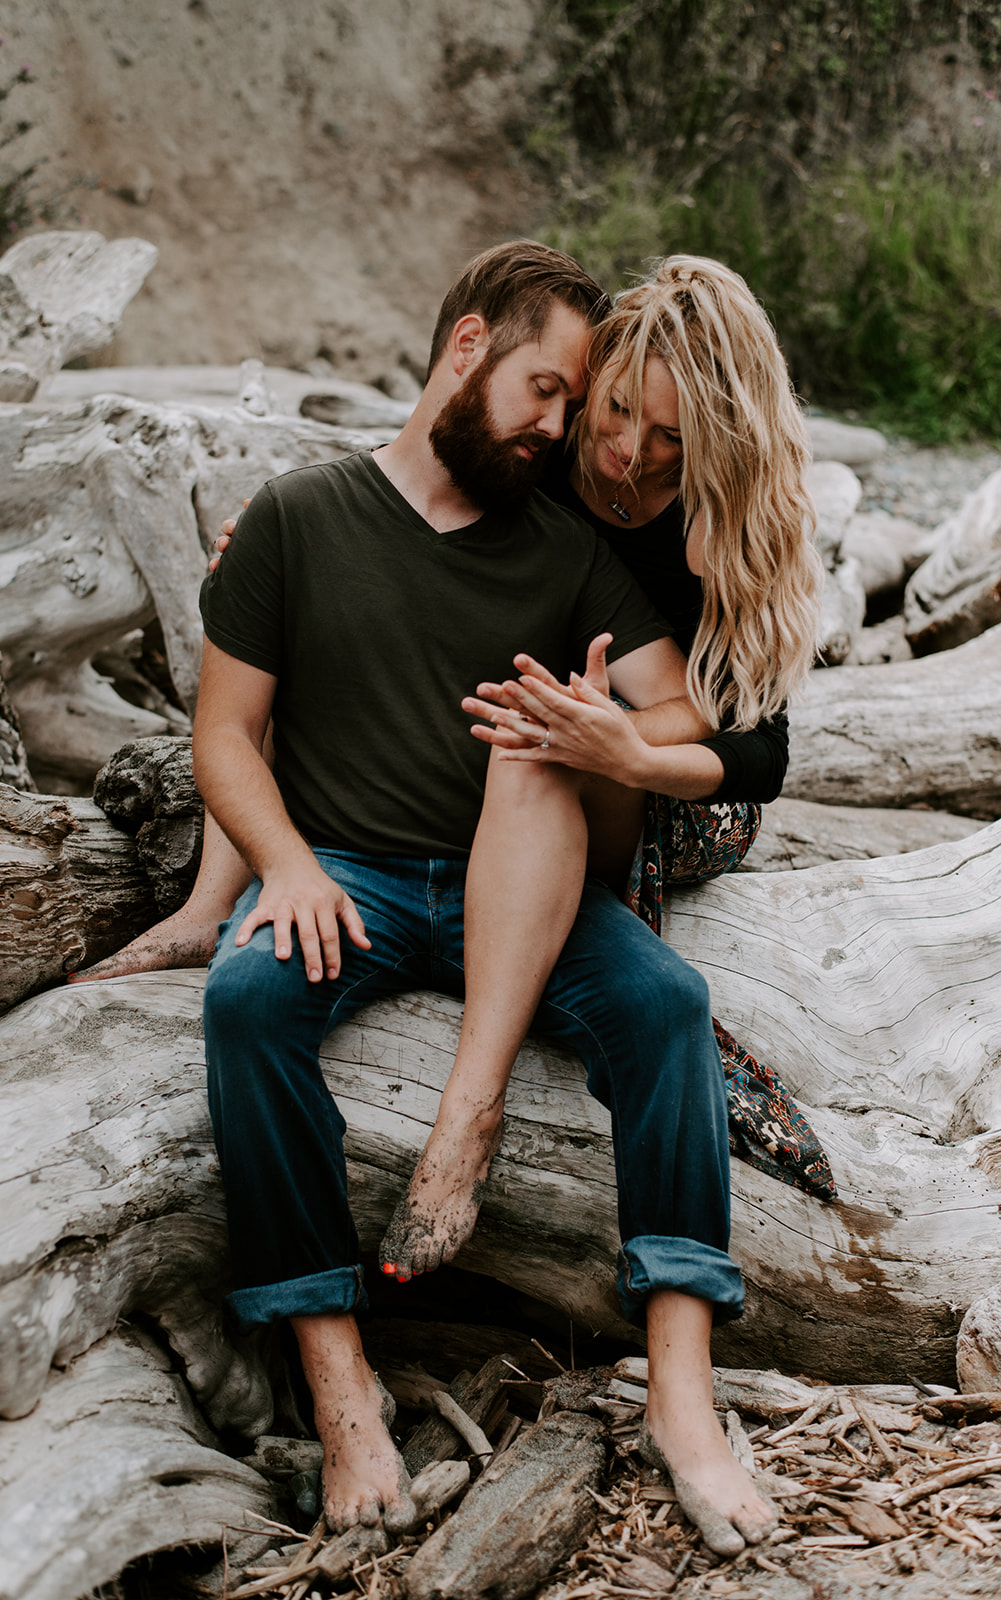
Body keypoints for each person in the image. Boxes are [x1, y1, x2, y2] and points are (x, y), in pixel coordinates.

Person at [168, 240, 779, 1552]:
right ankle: (340, 1388)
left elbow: (682, 707)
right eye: (552, 396)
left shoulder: (567, 546)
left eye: (580, 404)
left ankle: (683, 1391)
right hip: (358, 880)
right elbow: (224, 734)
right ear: (465, 354)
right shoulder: (295, 516)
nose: (567, 431)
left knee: (668, 1005)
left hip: (532, 876)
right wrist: (280, 866)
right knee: (244, 1002)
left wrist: (609, 732)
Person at [377, 256, 828, 1284]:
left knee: (567, 735)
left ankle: (472, 1113)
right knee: (540, 734)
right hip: (527, 739)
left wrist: (637, 751)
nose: (628, 451)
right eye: (616, 411)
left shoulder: (734, 509)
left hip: (678, 783)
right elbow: (408, 492)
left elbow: (763, 752)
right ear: (597, 375)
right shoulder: (541, 446)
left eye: (671, 437)